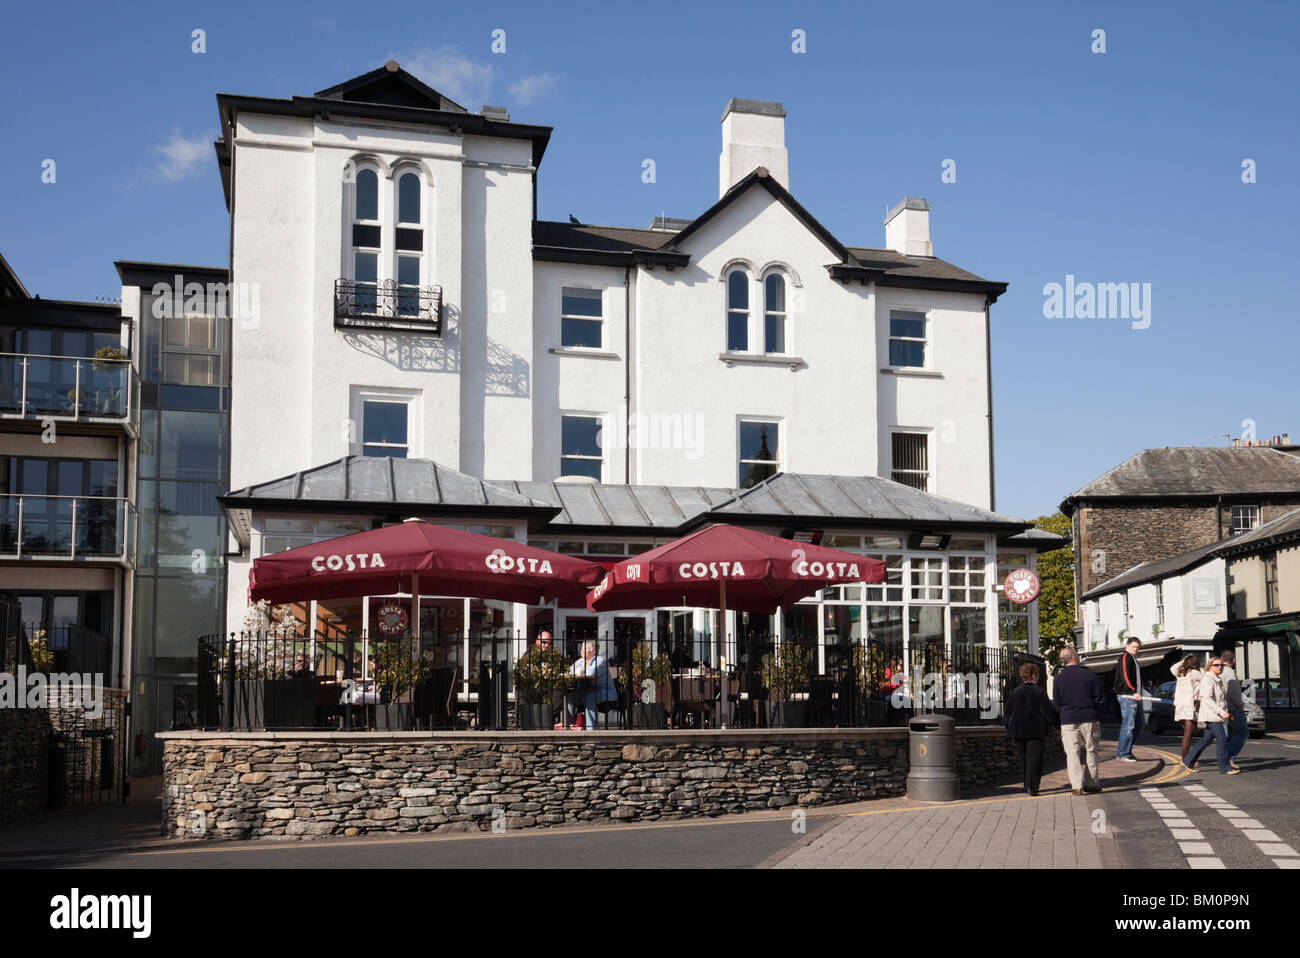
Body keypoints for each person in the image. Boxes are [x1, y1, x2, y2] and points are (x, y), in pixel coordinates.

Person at [1053, 646, 1105, 795]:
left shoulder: (1058, 679)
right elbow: (1099, 699)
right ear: (1075, 658)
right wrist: (1096, 712)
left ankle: (1076, 786)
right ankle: (1091, 783)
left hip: (1068, 719)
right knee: (1091, 750)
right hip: (1089, 717)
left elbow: (1056, 703)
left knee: (1072, 753)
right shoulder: (1090, 676)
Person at [1004, 662, 1058, 796]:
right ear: (1034, 675)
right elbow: (1048, 711)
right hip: (1035, 730)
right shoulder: (1039, 691)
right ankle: (1033, 787)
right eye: (1038, 675)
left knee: (1025, 758)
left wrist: (1009, 727)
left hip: (1018, 730)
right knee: (1035, 759)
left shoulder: (1015, 692)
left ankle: (1026, 784)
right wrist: (1056, 725)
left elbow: (1008, 712)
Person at [1183, 658, 1238, 775]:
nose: (1220, 667)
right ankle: (1224, 767)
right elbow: (1207, 699)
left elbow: (1221, 700)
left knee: (1206, 740)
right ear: (1210, 666)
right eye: (1216, 665)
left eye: (1221, 665)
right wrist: (1221, 712)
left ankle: (1188, 761)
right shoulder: (1208, 679)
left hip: (1216, 715)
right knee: (1222, 739)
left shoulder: (1217, 680)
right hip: (1212, 715)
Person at [564, 639, 618, 730]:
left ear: (594, 651)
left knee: (589, 698)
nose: (581, 650)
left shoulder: (600, 661)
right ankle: (571, 726)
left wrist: (582, 667)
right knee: (570, 699)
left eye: (585, 648)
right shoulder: (580, 661)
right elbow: (570, 671)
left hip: (603, 691)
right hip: (586, 690)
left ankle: (592, 730)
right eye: (581, 648)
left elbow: (591, 673)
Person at [1115, 637, 1144, 761]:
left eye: (1137, 647)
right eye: (1133, 646)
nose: (1136, 649)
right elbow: (1125, 676)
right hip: (1127, 696)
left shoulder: (1133, 658)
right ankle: (1122, 754)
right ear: (1127, 646)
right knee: (1128, 725)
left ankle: (1127, 750)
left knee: (1139, 723)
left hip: (1134, 696)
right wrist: (1133, 691)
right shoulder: (1125, 657)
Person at [1172, 654, 1203, 762]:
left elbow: (1172, 667)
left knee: (1187, 733)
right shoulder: (1194, 673)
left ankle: (1186, 757)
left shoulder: (1179, 672)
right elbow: (1206, 677)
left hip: (1179, 705)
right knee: (1188, 734)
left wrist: (1183, 660)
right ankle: (1185, 759)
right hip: (1189, 705)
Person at [1220, 650, 1247, 771]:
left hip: (1223, 708)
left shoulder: (1218, 671)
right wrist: (1240, 705)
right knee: (1242, 732)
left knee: (1229, 735)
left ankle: (1224, 759)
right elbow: (1234, 692)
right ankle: (1228, 758)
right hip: (1233, 708)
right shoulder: (1230, 672)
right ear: (1234, 660)